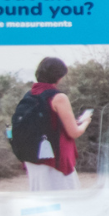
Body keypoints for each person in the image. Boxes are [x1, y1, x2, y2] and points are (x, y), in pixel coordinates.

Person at [20, 57, 91, 192]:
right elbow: (74, 132)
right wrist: (85, 122)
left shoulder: (29, 95)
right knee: (65, 200)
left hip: (32, 155)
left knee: (41, 199)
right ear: (59, 76)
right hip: (54, 157)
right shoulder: (58, 97)